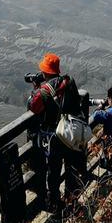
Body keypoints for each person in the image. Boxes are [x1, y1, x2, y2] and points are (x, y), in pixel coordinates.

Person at [27, 53, 85, 212]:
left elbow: (33, 107)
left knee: (53, 171)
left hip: (55, 137)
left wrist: (36, 90)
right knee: (71, 167)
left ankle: (55, 203)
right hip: (72, 132)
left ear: (45, 72)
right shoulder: (69, 81)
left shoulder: (44, 91)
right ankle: (72, 200)